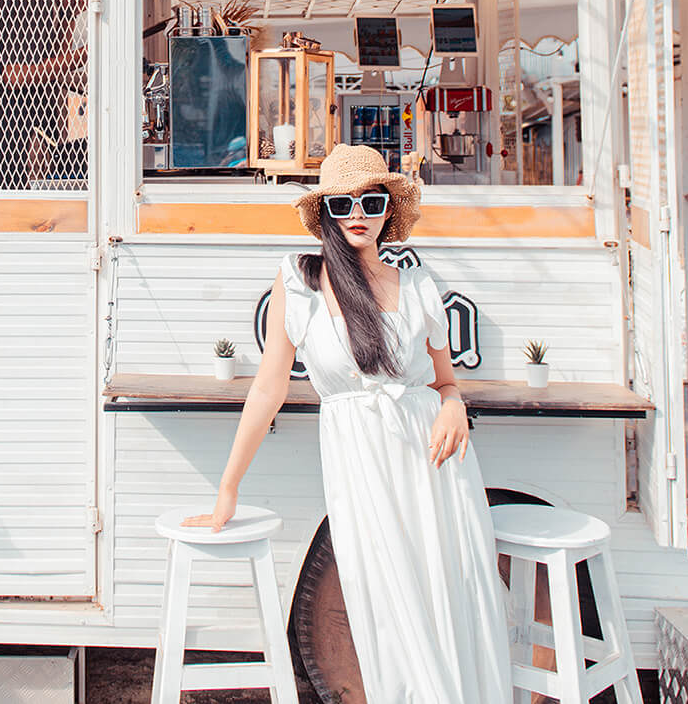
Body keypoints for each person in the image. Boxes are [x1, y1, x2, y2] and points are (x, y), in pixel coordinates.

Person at [187, 144, 513, 704]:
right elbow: (268, 388)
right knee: (385, 605)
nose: (358, 213)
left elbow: (445, 381)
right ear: (327, 215)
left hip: (433, 462)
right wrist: (227, 488)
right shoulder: (301, 282)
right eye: (342, 203)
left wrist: (455, 405)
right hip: (361, 463)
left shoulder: (416, 286)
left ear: (389, 209)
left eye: (371, 200)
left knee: (450, 592)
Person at [0, 0, 88, 189]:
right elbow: (14, 75)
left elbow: (50, 64)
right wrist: (87, 52)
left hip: (26, 133)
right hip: (7, 137)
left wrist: (70, 16)